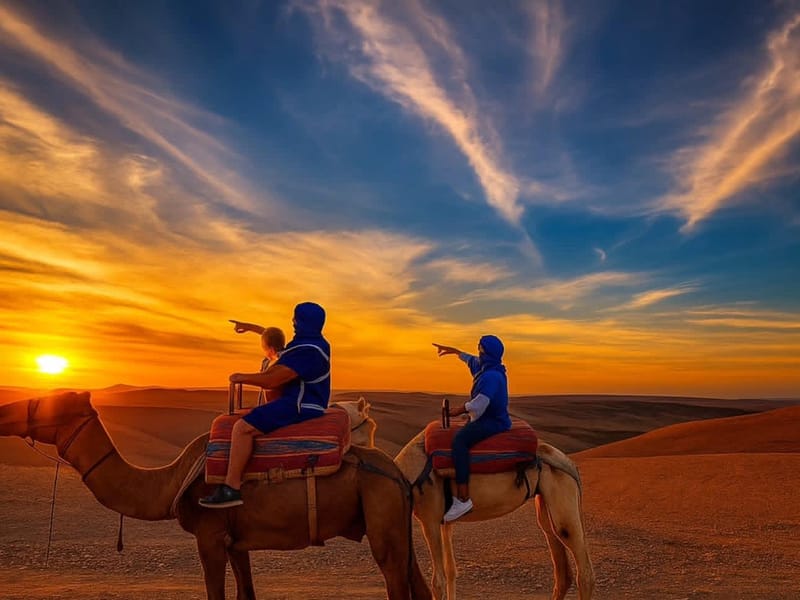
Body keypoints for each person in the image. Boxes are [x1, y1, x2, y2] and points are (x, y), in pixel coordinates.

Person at [200, 302, 331, 508]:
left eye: (295, 319)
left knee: (241, 429)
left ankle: (231, 487)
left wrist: (240, 377)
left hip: (299, 404)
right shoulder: (311, 343)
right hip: (304, 399)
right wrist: (252, 328)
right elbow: (273, 339)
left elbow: (273, 380)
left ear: (302, 322)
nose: (293, 322)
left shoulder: (307, 352)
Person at [432, 336, 511, 522]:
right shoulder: (486, 366)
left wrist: (456, 411)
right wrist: (453, 350)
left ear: (486, 351)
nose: (478, 351)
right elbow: (468, 358)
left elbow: (479, 404)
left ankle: (463, 498)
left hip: (492, 421)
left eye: (480, 348)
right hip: (484, 416)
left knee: (460, 442)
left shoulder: (491, 376)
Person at [228, 321, 286, 405]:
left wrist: (239, 377)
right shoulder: (287, 354)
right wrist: (249, 327)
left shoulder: (280, 362)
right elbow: (272, 336)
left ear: (270, 348)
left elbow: (268, 380)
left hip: (279, 407)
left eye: (264, 348)